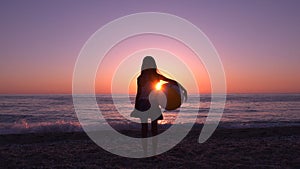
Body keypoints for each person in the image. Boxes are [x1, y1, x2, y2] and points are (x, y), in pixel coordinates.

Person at [131, 56, 187, 156]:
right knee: (154, 130)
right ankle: (153, 153)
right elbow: (173, 81)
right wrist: (183, 89)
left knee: (144, 130)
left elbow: (138, 94)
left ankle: (145, 153)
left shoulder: (140, 78)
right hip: (153, 104)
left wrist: (136, 108)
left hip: (142, 104)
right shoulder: (156, 76)